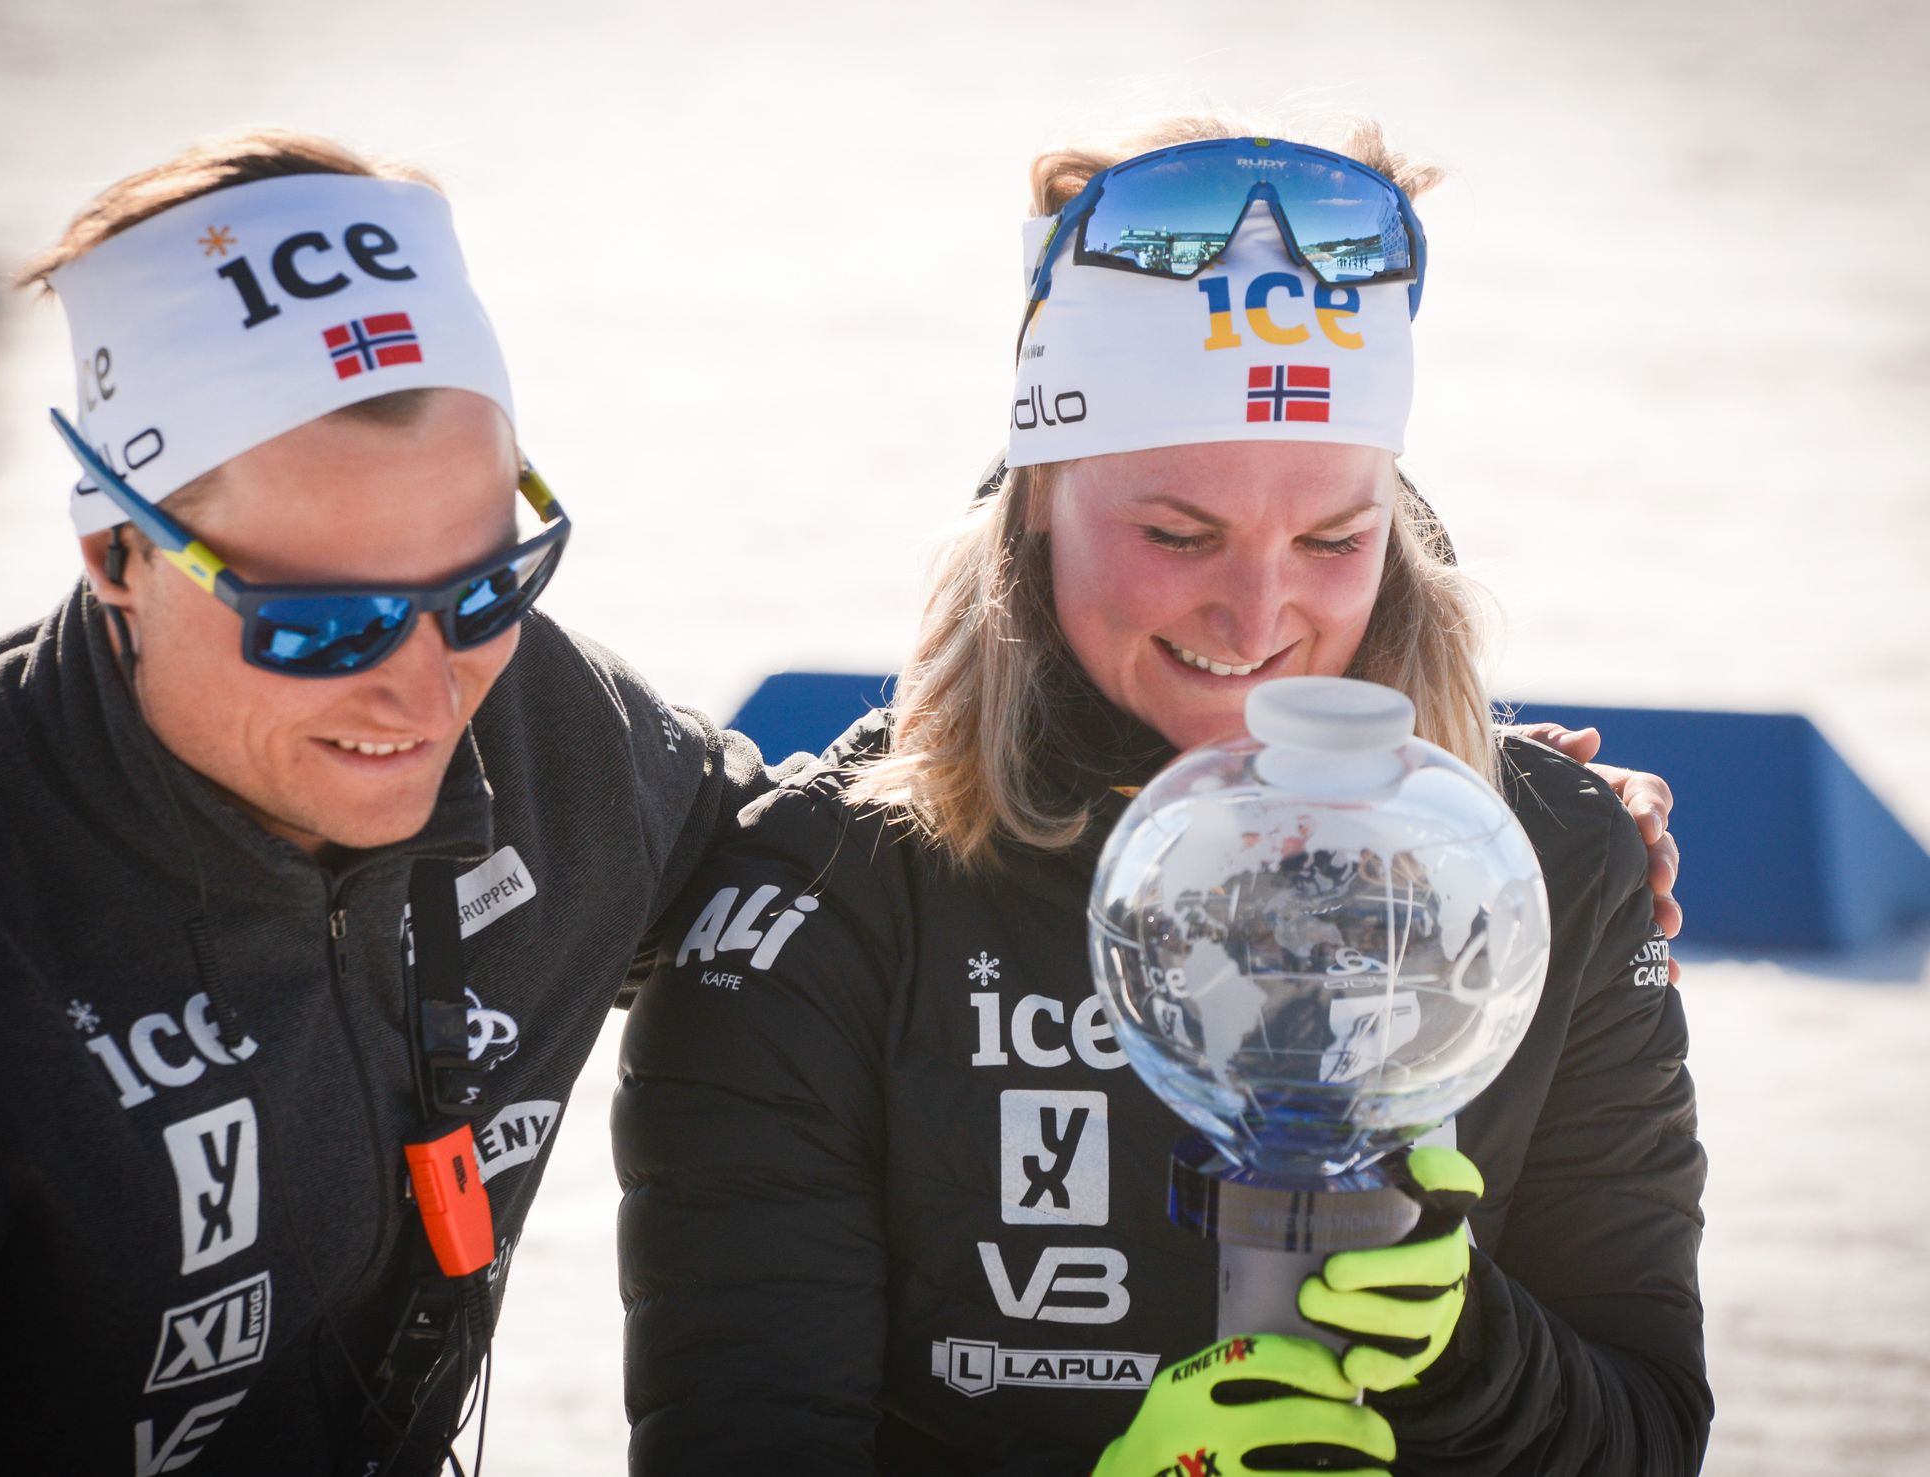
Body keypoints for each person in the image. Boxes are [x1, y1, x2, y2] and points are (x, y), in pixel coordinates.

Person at [615, 117, 1706, 1475]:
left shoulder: (1548, 858)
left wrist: (1473, 1358)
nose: (1258, 615)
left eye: (1333, 537)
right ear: (1037, 503)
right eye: (1177, 535)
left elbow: (1652, 1436)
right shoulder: (833, 890)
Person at [0, 131, 772, 1475]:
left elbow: (870, 852)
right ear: (117, 552)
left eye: (490, 585)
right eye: (325, 623)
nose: (423, 692)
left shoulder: (559, 740)